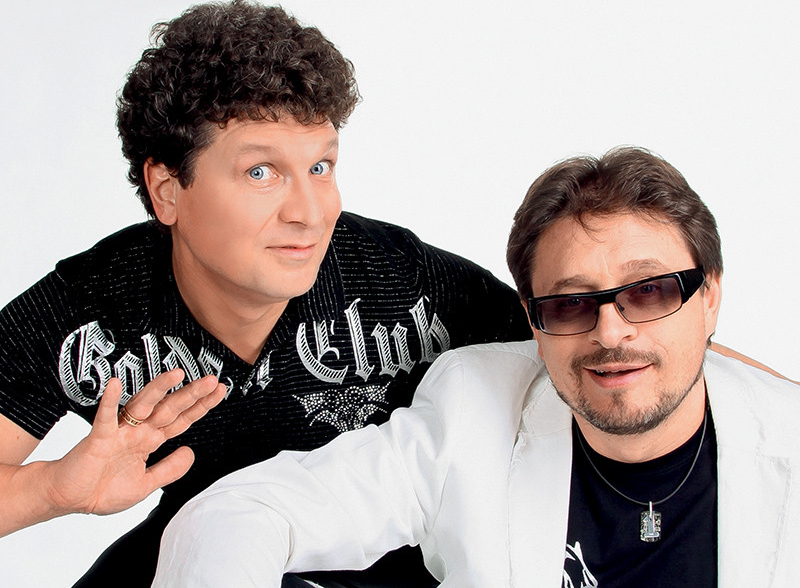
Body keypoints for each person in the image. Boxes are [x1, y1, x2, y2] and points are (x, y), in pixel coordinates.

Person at [0, 0, 535, 587]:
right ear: (167, 189)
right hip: (206, 552)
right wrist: (53, 489)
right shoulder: (91, 308)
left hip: (384, 564)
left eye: (321, 167)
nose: (309, 213)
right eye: (261, 172)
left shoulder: (403, 283)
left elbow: (580, 370)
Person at [154, 146, 800, 587]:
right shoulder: (474, 410)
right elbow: (239, 514)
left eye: (649, 292)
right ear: (533, 322)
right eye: (570, 303)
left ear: (709, 298)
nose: (611, 333)